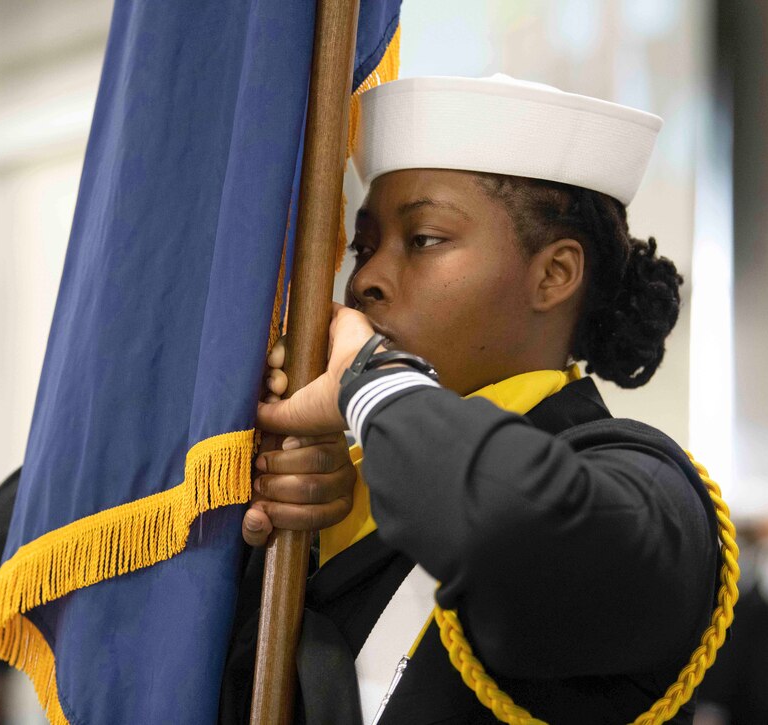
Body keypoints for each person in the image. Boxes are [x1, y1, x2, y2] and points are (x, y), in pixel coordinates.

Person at [225, 75, 722, 724]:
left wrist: (373, 382)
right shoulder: (355, 490)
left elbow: (506, 525)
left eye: (425, 238)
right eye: (363, 246)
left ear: (554, 274)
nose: (366, 277)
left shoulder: (650, 486)